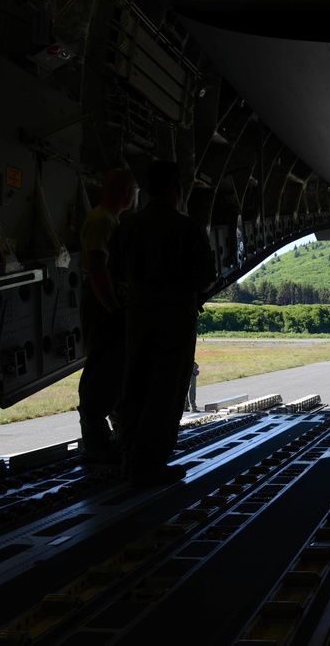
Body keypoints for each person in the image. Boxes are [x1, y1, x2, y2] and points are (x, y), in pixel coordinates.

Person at [111, 160, 217, 489]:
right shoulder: (187, 229)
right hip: (174, 321)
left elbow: (113, 271)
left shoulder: (126, 227)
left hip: (136, 318)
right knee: (166, 391)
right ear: (177, 191)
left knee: (134, 387)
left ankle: (129, 458)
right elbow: (205, 280)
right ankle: (150, 464)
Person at [77, 169, 138, 466]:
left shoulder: (108, 220)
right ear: (126, 192)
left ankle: (108, 443)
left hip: (107, 309)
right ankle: (97, 446)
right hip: (105, 310)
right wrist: (114, 309)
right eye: (134, 190)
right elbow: (97, 270)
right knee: (103, 373)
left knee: (113, 375)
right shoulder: (102, 221)